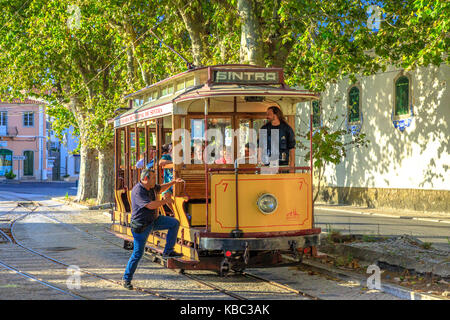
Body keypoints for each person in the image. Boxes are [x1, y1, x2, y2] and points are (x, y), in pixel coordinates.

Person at [122, 168, 184, 290]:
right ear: (146, 179)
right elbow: (150, 205)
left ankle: (168, 251)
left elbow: (160, 188)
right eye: (153, 178)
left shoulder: (151, 187)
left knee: (174, 223)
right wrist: (165, 201)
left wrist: (173, 182)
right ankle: (126, 279)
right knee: (137, 254)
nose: (155, 180)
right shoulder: (138, 191)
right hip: (141, 226)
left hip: (153, 221)